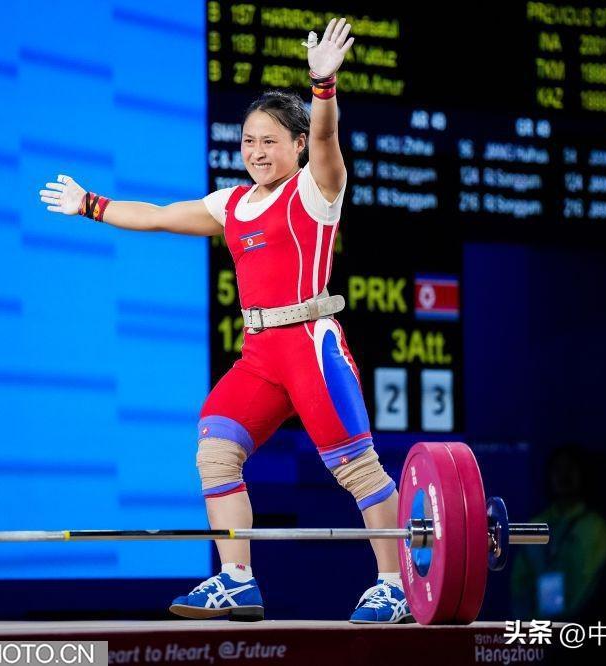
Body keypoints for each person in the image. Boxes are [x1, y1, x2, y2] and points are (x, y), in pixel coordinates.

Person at [39, 18, 409, 623]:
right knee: (215, 449)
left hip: (310, 346)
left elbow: (326, 138)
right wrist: (90, 205)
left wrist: (323, 86)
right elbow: (158, 216)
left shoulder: (316, 190)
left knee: (356, 467)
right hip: (261, 354)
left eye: (270, 141)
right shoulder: (232, 204)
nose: (256, 152)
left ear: (296, 145)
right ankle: (237, 580)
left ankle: (394, 585)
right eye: (248, 141)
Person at [511, 445, 606, 620]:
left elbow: (593, 584)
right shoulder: (535, 525)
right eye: (558, 469)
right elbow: (519, 582)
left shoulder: (596, 527)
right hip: (538, 626)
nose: (564, 475)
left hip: (580, 626)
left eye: (570, 468)